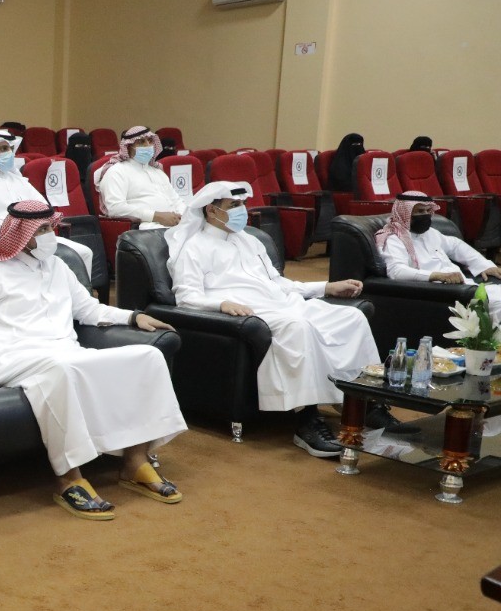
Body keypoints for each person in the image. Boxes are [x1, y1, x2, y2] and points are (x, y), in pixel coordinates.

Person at [0, 200, 187, 520]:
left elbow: (88, 310)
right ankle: (69, 479)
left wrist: (133, 317)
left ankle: (135, 461)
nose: (51, 234)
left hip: (64, 351)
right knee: (61, 370)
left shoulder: (58, 266)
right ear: (22, 235)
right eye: (42, 229)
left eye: (51, 227)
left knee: (148, 356)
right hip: (10, 355)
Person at [166, 182, 391, 457]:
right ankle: (307, 421)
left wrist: (325, 287)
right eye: (233, 206)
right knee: (298, 327)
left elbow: (279, 283)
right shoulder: (193, 247)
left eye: (242, 204)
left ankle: (366, 404)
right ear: (211, 210)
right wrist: (221, 304)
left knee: (352, 318)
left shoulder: (250, 241)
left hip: (284, 303)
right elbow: (186, 297)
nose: (242, 211)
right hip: (250, 313)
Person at [0, 130, 94, 276]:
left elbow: (42, 206)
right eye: (3, 149)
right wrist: (15, 227)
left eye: (11, 149)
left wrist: (33, 226)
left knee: (84, 253)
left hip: (36, 235)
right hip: (3, 238)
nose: (9, 153)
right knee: (52, 260)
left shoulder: (18, 179)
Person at [377, 191, 501, 319]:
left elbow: (456, 245)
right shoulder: (394, 239)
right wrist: (436, 276)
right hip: (439, 292)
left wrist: (483, 265)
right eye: (420, 211)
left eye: (428, 211)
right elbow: (396, 271)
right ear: (405, 213)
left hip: (466, 286)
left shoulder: (431, 233)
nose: (425, 215)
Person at [93, 126, 185, 229]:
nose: (148, 145)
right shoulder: (117, 172)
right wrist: (155, 216)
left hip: (176, 226)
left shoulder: (158, 172)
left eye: (150, 141)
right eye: (141, 142)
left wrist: (182, 216)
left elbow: (176, 200)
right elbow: (115, 208)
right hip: (145, 229)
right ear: (128, 147)